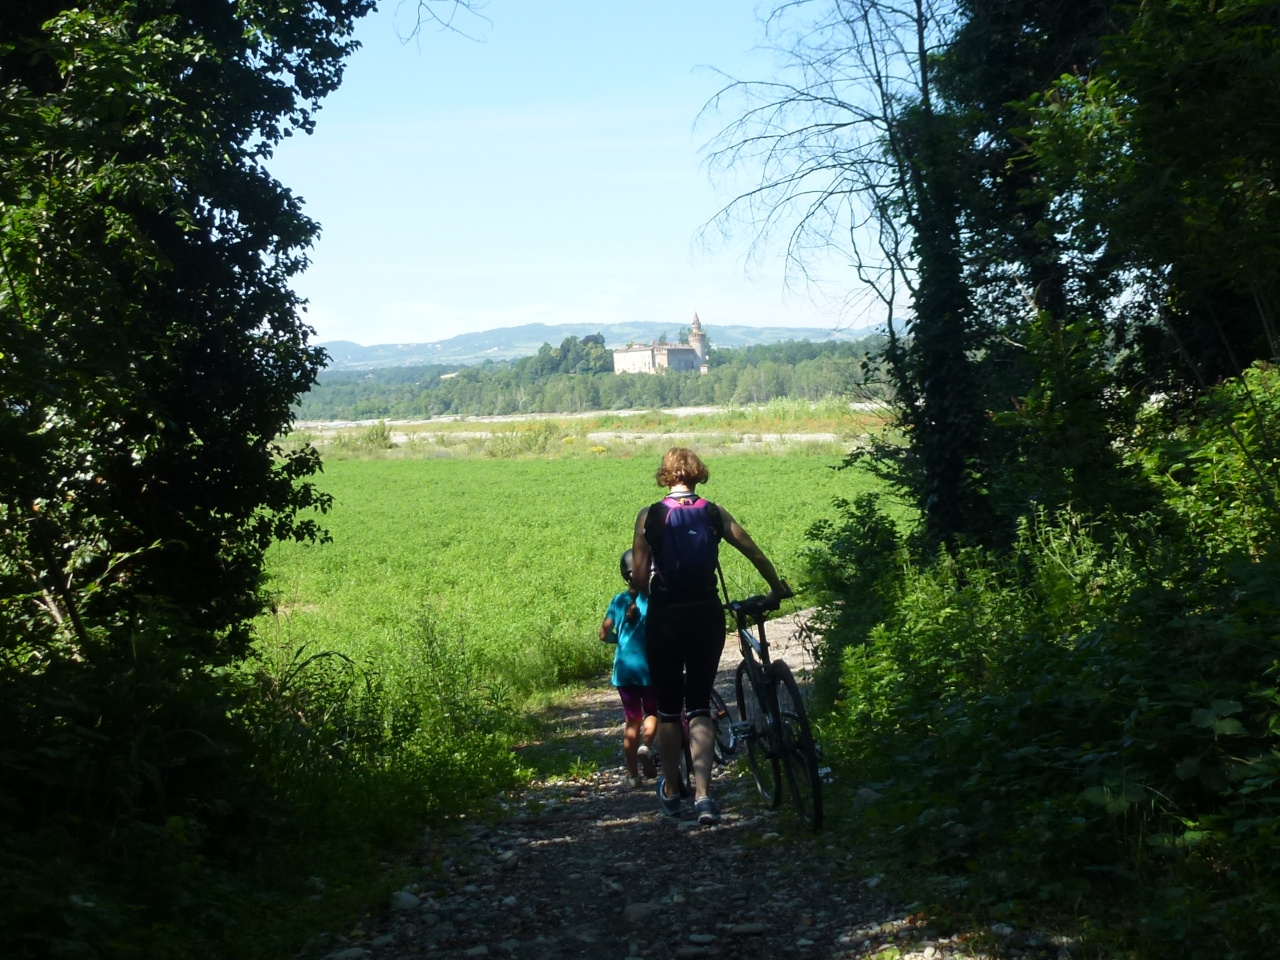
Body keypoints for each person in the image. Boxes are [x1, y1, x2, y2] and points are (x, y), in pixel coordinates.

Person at [629, 447, 791, 824]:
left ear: (665, 475)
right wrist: (775, 588)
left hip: (666, 618)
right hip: (705, 614)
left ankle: (672, 790)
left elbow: (639, 576)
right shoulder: (714, 512)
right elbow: (753, 551)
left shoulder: (647, 516)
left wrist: (637, 600)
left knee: (669, 708)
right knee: (699, 702)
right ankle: (704, 796)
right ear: (697, 473)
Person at [599, 549, 658, 789]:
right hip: (650, 668)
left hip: (624, 670)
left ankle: (633, 775)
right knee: (653, 712)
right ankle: (646, 745)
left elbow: (604, 635)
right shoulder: (654, 600)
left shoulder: (618, 600)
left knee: (631, 720)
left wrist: (620, 641)